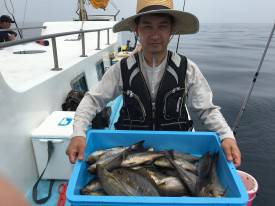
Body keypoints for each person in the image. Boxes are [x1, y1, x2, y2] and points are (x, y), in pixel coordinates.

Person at [66, 0, 241, 167]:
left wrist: (226, 136)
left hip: (175, 150)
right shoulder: (121, 69)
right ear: (136, 30)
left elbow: (206, 109)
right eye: (147, 26)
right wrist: (78, 133)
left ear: (171, 30)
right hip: (132, 149)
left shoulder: (188, 68)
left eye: (162, 26)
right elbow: (93, 100)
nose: (155, 35)